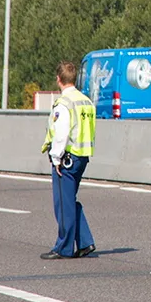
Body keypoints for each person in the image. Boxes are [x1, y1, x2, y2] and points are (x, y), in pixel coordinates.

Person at [39, 61, 97, 259]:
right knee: (69, 201)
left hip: (67, 158)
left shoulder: (64, 103)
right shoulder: (86, 101)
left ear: (58, 79)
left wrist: (56, 158)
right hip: (83, 157)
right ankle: (85, 242)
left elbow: (61, 133)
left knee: (62, 204)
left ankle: (63, 248)